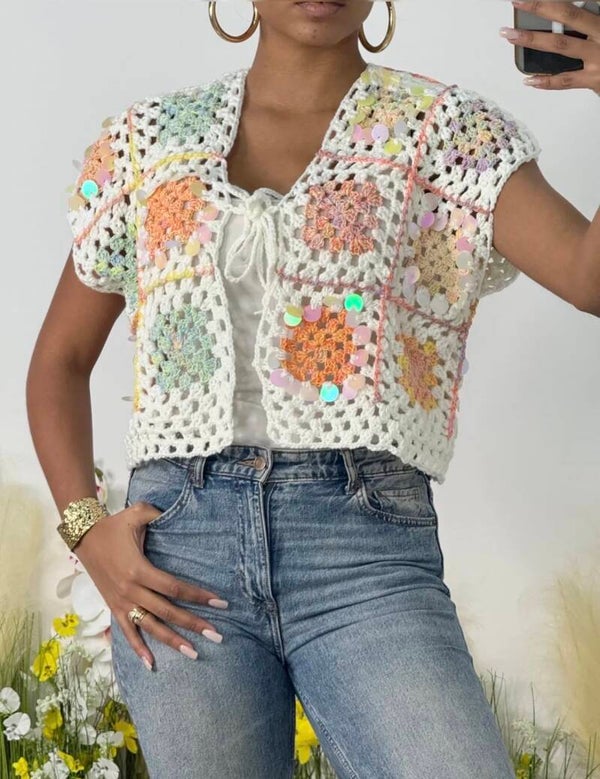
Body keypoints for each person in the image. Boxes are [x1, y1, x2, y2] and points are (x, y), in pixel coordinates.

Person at [27, 0, 599, 776]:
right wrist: (86, 531)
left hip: (365, 551)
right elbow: (59, 360)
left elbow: (588, 277)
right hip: (179, 556)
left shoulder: (446, 136)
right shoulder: (148, 142)